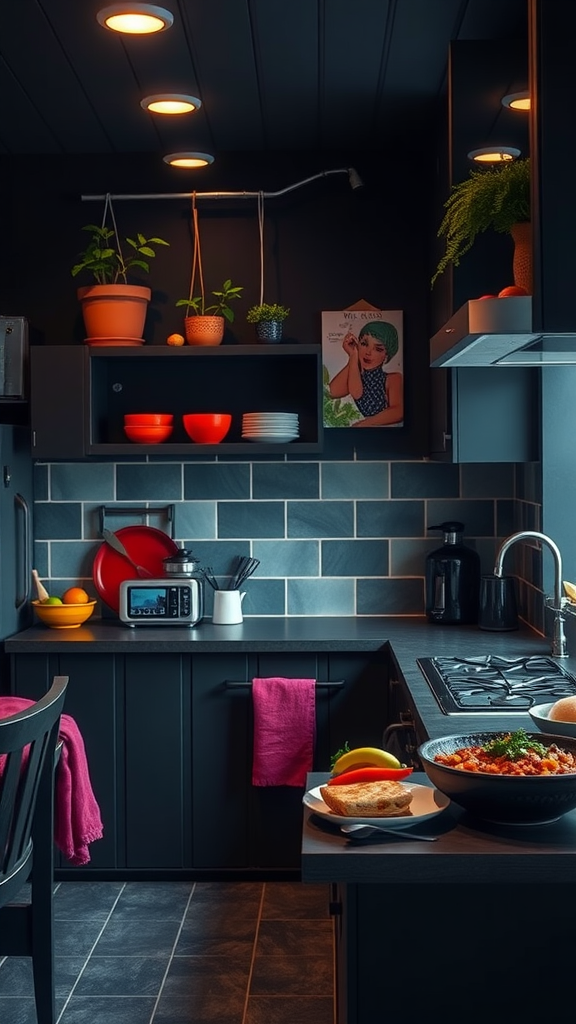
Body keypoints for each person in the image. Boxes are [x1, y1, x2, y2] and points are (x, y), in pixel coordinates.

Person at [328, 320, 403, 426]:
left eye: (378, 349)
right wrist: (353, 356)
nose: (368, 352)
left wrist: (362, 425)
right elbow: (332, 392)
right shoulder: (355, 376)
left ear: (386, 356)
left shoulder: (393, 379)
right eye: (364, 344)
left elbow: (397, 412)